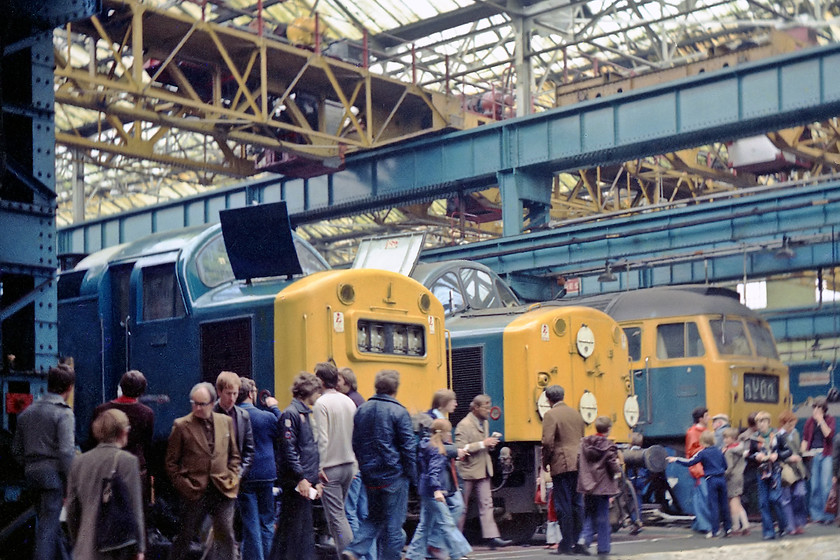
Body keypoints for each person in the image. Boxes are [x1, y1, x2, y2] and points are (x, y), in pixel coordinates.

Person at [342, 370, 417, 560]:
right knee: (393, 527)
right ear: (395, 389)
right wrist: (413, 477)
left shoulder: (362, 410)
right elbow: (408, 448)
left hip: (370, 475)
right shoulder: (400, 412)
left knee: (373, 517)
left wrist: (365, 466)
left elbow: (355, 442)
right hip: (393, 476)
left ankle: (354, 550)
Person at [165, 382, 242, 560]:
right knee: (185, 535)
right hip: (194, 490)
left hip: (222, 488)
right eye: (194, 403)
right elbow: (171, 462)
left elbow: (234, 454)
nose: (197, 408)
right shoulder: (182, 425)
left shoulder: (226, 422)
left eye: (202, 404)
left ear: (212, 403)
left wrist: (232, 476)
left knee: (226, 535)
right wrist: (184, 485)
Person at [12, 363, 76, 560]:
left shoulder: (26, 414)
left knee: (50, 525)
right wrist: (71, 480)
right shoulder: (63, 413)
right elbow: (66, 451)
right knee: (48, 529)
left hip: (32, 474)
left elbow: (16, 450)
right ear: (69, 387)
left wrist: (32, 465)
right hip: (53, 476)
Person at [66, 409, 145, 560]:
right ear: (123, 432)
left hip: (84, 548)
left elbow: (72, 508)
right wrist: (139, 548)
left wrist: (78, 540)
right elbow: (135, 508)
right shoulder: (128, 461)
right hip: (117, 548)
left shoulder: (79, 462)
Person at [271, 373, 323, 560]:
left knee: (294, 531)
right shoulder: (293, 414)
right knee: (296, 531)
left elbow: (304, 450)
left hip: (303, 482)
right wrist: (301, 478)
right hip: (297, 483)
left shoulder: (302, 414)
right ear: (308, 390)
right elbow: (289, 449)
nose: (319, 396)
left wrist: (314, 479)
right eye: (317, 391)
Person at [406, 418, 472, 560]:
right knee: (446, 522)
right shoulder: (438, 450)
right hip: (433, 491)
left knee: (425, 524)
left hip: (425, 490)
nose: (450, 435)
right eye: (448, 432)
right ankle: (458, 553)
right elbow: (433, 471)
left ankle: (413, 555)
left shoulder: (426, 444)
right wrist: (437, 490)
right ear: (443, 433)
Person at [91, 370, 155, 511]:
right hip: (136, 471)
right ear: (142, 391)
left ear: (121, 386)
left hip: (107, 469)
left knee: (107, 510)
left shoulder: (101, 410)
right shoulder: (147, 413)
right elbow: (147, 444)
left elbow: (92, 441)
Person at [312, 362, 358, 556]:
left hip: (331, 467)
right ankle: (346, 553)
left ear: (320, 380)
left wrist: (319, 466)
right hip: (349, 464)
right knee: (340, 515)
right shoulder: (349, 401)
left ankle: (350, 554)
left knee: (336, 517)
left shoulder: (321, 404)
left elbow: (321, 438)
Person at [455, 394, 511, 548]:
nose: (488, 411)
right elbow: (460, 449)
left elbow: (482, 445)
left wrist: (490, 444)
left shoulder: (484, 423)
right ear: (476, 408)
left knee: (487, 504)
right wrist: (482, 443)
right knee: (461, 506)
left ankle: (492, 537)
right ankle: (455, 539)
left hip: (483, 469)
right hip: (467, 470)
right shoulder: (463, 425)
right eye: (485, 408)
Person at [237, 377, 282, 560]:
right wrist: (274, 407)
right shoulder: (267, 417)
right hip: (267, 474)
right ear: (251, 394)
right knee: (266, 522)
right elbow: (285, 430)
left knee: (251, 523)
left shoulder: (234, 416)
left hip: (245, 475)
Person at [540, 385, 585, 555]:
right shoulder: (576, 414)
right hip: (578, 462)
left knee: (563, 505)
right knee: (577, 503)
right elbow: (581, 437)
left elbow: (547, 442)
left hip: (562, 463)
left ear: (548, 399)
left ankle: (566, 544)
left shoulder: (550, 415)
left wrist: (545, 461)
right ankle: (578, 542)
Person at [669, 430, 732, 538]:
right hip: (721, 478)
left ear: (702, 441)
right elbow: (725, 466)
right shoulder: (719, 451)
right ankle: (728, 528)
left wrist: (675, 459)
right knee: (724, 504)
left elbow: (690, 462)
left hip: (711, 479)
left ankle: (715, 530)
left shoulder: (702, 453)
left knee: (714, 505)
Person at [577, 416, 622, 555]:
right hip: (602, 487)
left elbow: (578, 460)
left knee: (589, 514)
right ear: (608, 429)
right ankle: (603, 547)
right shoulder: (608, 446)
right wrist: (617, 471)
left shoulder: (584, 443)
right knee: (603, 517)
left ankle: (583, 540)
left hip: (588, 485)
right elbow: (612, 463)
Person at [747, 410, 789, 540]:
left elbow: (788, 450)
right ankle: (768, 532)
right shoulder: (754, 438)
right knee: (763, 502)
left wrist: (778, 455)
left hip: (775, 470)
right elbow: (749, 455)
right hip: (761, 471)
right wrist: (756, 456)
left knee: (775, 499)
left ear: (769, 422)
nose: (761, 425)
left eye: (763, 421)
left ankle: (782, 525)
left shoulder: (778, 435)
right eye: (759, 422)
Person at [214, 371, 255, 481]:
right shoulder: (209, 414)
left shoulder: (243, 416)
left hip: (236, 479)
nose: (232, 398)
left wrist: (239, 475)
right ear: (219, 392)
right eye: (228, 393)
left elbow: (249, 450)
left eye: (235, 393)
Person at [801, 396, 836, 524]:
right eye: (814, 407)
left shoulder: (830, 419)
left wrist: (821, 421)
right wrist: (802, 454)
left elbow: (829, 435)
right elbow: (805, 439)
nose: (815, 410)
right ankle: (816, 515)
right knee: (815, 485)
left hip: (826, 454)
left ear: (824, 409)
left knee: (825, 485)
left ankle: (828, 516)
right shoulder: (809, 422)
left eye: (818, 407)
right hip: (813, 455)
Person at [777, 410, 807, 535]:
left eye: (793, 424)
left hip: (798, 469)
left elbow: (798, 450)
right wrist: (789, 458)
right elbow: (777, 453)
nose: (792, 427)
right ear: (784, 423)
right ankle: (790, 526)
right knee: (786, 498)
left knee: (800, 494)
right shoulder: (778, 436)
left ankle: (798, 522)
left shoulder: (795, 433)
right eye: (790, 424)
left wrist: (801, 452)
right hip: (786, 469)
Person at [685, 406, 713, 533]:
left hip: (706, 467)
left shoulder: (704, 431)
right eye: (707, 416)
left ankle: (701, 523)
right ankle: (704, 524)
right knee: (703, 497)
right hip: (700, 469)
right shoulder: (692, 432)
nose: (709, 418)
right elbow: (691, 452)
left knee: (703, 497)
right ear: (701, 418)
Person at [722, 427, 750, 535]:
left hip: (731, 478)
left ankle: (736, 526)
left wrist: (723, 475)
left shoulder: (729, 451)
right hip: (740, 476)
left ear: (732, 438)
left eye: (726, 438)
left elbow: (729, 467)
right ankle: (745, 524)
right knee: (737, 502)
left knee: (733, 503)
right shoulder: (740, 448)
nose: (724, 440)